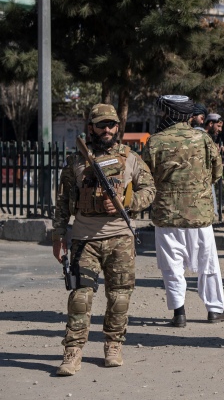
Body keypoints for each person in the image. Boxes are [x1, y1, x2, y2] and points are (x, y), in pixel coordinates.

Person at [51, 104, 155, 376]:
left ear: (118, 127)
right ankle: (72, 351)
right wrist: (59, 235)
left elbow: (150, 189)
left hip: (120, 239)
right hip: (84, 240)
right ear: (91, 128)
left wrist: (127, 201)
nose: (107, 129)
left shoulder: (131, 158)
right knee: (80, 298)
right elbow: (62, 202)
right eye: (101, 124)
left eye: (111, 124)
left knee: (119, 297)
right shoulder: (76, 162)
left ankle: (113, 344)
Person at [142, 95, 224, 328]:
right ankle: (214, 310)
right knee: (208, 263)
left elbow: (146, 178)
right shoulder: (202, 139)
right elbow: (217, 173)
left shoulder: (154, 141)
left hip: (166, 214)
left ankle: (179, 313)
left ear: (168, 114)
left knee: (171, 265)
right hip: (199, 214)